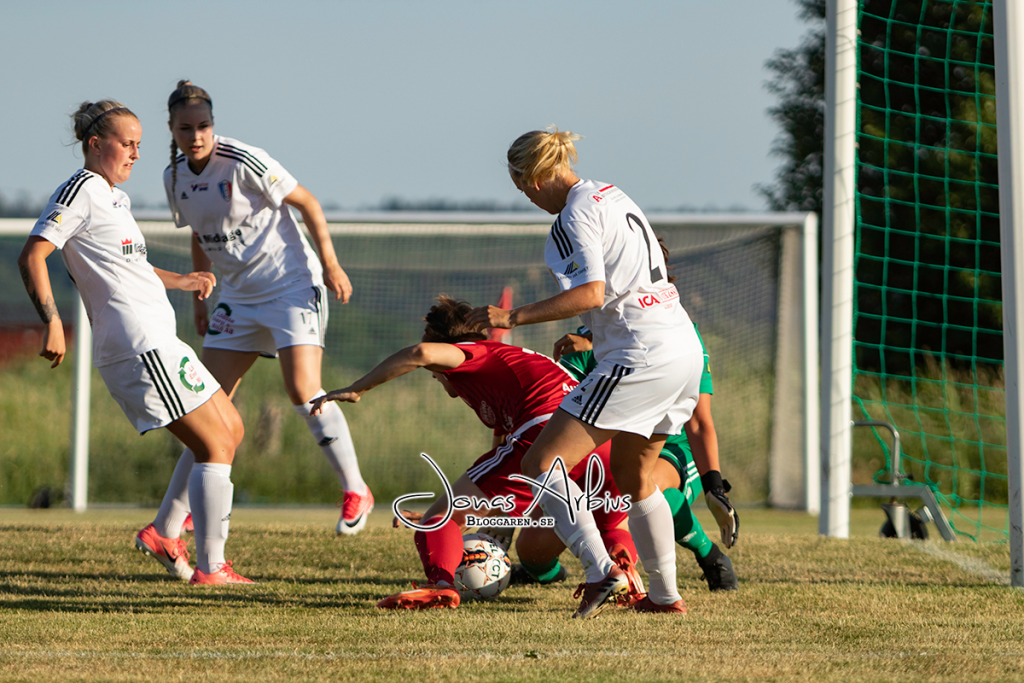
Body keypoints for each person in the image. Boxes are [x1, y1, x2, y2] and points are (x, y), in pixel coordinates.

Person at [467, 128, 704, 617]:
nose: (528, 198)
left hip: (640, 354)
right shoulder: (611, 194)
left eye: (522, 188)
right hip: (683, 347)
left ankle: (601, 573)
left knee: (540, 464)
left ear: (533, 178)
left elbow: (590, 293)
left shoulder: (572, 216)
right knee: (634, 477)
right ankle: (665, 598)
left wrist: (512, 317)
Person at [18, 100, 252, 585]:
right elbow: (32, 256)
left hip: (160, 337)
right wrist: (53, 322)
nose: (136, 154)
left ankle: (165, 532)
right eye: (127, 143)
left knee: (231, 429)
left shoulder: (114, 197)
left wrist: (181, 280)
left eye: (140, 145)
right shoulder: (81, 190)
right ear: (95, 144)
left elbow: (128, 266)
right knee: (214, 444)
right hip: (137, 345)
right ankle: (212, 568)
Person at [137, 80, 370, 562]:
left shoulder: (243, 160)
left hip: (290, 285)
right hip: (238, 298)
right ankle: (169, 524)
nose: (196, 136)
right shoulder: (174, 177)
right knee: (204, 408)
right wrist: (201, 296)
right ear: (172, 130)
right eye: (186, 128)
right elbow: (199, 233)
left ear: (213, 125)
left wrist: (331, 265)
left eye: (203, 126)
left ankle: (355, 490)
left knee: (303, 390)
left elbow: (308, 203)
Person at [310, 296, 645, 610]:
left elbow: (420, 353)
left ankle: (441, 585)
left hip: (546, 433)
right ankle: (624, 573)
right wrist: (476, 511)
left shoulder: (474, 352)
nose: (434, 375)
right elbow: (502, 461)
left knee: (438, 520)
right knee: (609, 522)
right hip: (599, 441)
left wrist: (357, 389)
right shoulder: (502, 372)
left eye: (435, 370)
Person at [550, 325, 739, 591]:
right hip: (616, 449)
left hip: (673, 447)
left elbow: (698, 422)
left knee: (641, 487)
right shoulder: (583, 338)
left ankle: (708, 556)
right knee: (532, 550)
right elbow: (557, 410)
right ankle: (545, 572)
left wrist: (714, 486)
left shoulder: (679, 330)